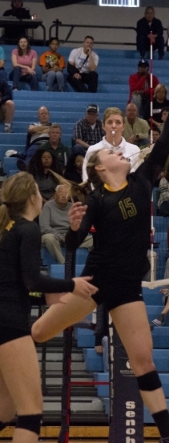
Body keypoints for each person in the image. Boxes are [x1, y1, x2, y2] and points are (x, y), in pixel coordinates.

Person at [31, 64, 169, 443]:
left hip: (127, 288)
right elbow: (73, 246)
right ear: (101, 166)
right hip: (94, 283)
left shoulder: (142, 180)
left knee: (144, 362)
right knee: (39, 333)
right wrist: (74, 230)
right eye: (114, 152)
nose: (122, 152)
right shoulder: (95, 199)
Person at [0, 171, 97, 443]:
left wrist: (44, 299)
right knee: (31, 413)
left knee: (5, 408)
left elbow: (15, 287)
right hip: (10, 327)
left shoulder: (8, 228)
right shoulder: (28, 228)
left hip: (4, 320)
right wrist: (70, 285)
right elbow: (32, 279)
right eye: (38, 192)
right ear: (32, 197)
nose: (43, 196)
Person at [82, 107, 140, 181]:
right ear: (103, 126)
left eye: (118, 122)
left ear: (123, 127)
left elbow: (140, 179)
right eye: (109, 122)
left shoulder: (134, 150)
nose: (113, 126)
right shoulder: (93, 150)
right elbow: (87, 179)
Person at [40, 184, 93, 264]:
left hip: (70, 235)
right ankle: (64, 263)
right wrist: (61, 237)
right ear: (55, 194)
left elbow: (78, 226)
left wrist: (71, 236)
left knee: (93, 239)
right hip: (55, 236)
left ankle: (91, 264)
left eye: (67, 193)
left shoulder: (72, 207)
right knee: (48, 238)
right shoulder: (48, 206)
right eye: (61, 192)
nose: (64, 195)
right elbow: (44, 227)